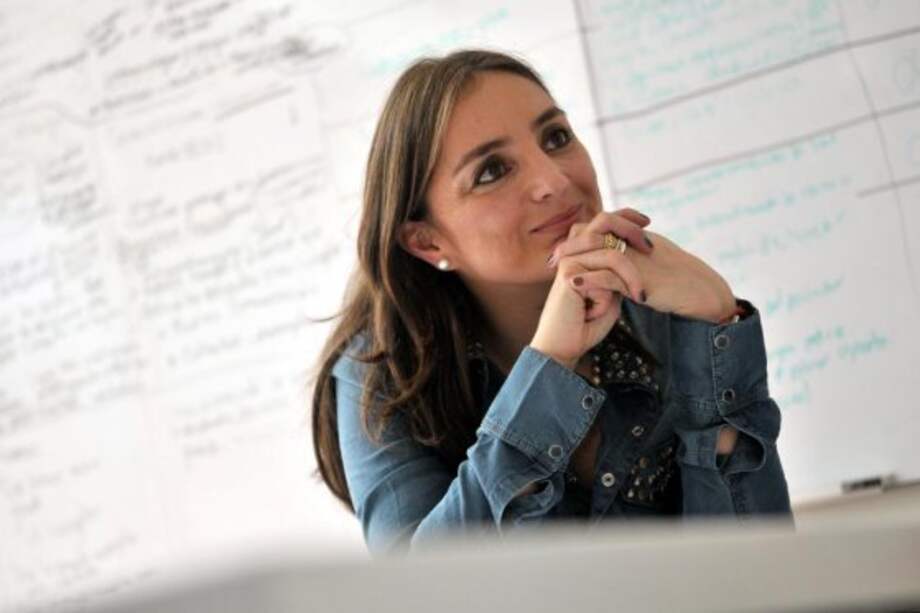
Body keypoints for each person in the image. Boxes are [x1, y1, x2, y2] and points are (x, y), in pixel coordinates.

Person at [311, 49, 793, 556]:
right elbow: (420, 587)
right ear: (428, 242)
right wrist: (549, 364)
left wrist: (716, 325)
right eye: (492, 170)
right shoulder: (380, 373)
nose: (555, 182)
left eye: (556, 137)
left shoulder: (666, 315)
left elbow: (759, 569)